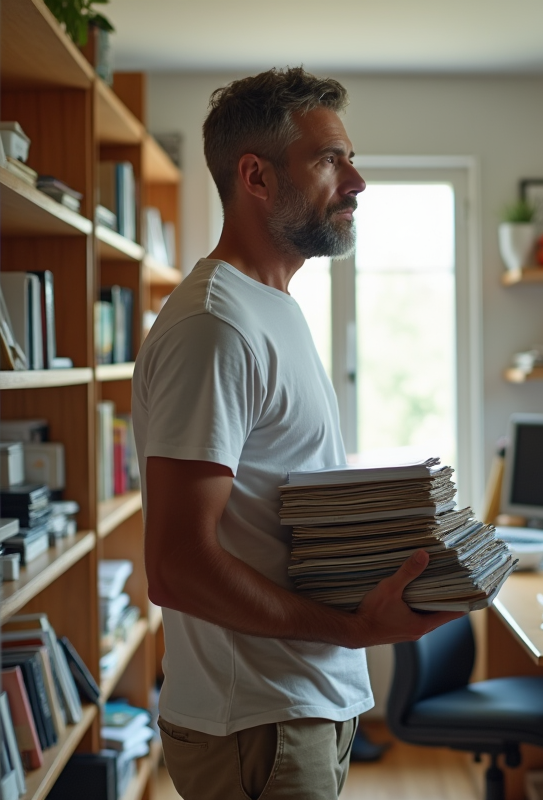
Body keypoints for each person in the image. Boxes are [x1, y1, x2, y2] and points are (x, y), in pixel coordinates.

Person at [133, 67, 463, 800]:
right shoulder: (215, 327)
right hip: (259, 720)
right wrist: (353, 630)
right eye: (330, 160)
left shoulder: (270, 306)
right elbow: (177, 567)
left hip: (301, 707)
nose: (357, 182)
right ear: (255, 177)